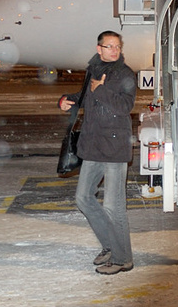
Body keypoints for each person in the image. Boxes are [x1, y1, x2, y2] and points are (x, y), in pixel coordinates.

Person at [58, 31, 137, 275]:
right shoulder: (93, 69)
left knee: (114, 207)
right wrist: (66, 99)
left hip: (114, 147)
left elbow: (125, 106)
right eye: (109, 46)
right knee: (83, 198)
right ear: (99, 48)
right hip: (92, 145)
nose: (114, 50)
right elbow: (85, 97)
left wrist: (101, 90)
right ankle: (110, 246)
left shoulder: (125, 74)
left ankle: (123, 258)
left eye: (117, 46)